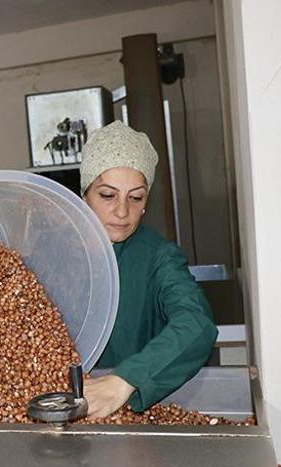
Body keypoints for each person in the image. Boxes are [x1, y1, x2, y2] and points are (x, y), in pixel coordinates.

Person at [79, 120, 218, 419]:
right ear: (84, 195)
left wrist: (125, 380)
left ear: (145, 203)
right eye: (107, 195)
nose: (121, 210)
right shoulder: (55, 252)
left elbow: (196, 324)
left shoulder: (158, 257)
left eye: (135, 197)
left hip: (136, 416)